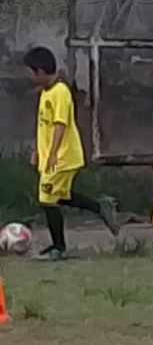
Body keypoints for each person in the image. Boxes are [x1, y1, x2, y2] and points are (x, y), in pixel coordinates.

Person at [25, 47, 119, 260]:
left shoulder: (61, 92)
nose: (29, 76)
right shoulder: (46, 92)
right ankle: (99, 207)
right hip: (53, 157)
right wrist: (36, 150)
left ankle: (59, 248)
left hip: (62, 157)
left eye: (31, 72)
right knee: (60, 197)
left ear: (40, 71)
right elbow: (43, 125)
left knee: (47, 200)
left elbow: (60, 124)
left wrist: (52, 154)